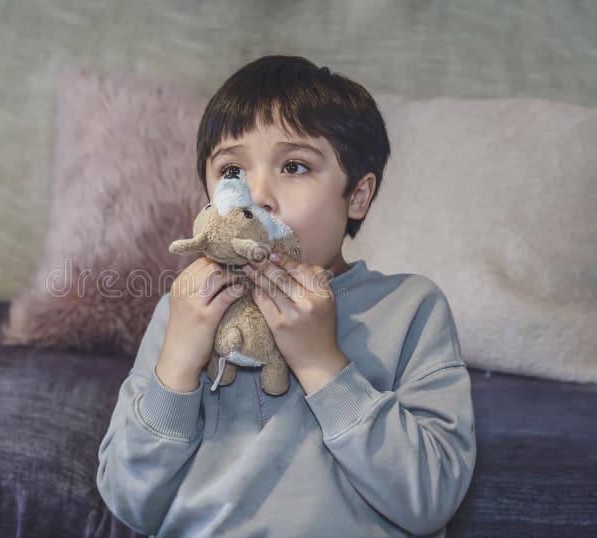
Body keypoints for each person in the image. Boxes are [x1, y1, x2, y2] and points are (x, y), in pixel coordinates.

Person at [96, 55, 476, 537]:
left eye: (294, 166)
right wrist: (176, 364)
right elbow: (128, 500)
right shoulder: (185, 307)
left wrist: (321, 363)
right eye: (231, 171)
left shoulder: (410, 308)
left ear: (357, 196)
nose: (256, 195)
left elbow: (430, 499)